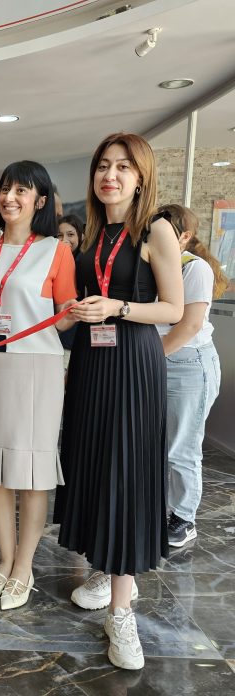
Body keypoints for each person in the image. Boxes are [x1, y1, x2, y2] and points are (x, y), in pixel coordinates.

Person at [54, 133, 183, 670]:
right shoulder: (90, 233)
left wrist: (119, 307)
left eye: (123, 167)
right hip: (91, 362)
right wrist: (74, 312)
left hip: (133, 364)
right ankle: (105, 570)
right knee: (92, 465)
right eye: (104, 166)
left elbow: (173, 308)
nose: (111, 175)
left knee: (125, 474)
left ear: (141, 176)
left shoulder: (156, 230)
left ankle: (122, 613)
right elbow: (81, 298)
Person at [0, 161, 76, 611]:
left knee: (32, 472)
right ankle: (5, 560)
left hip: (37, 368)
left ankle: (25, 565)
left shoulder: (56, 251)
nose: (10, 197)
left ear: (40, 200)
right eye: (6, 189)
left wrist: (66, 316)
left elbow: (65, 315)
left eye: (22, 190)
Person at [157, 203, 225, 547]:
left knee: (181, 447)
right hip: (160, 361)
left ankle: (184, 518)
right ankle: (163, 510)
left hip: (187, 365)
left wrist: (148, 359)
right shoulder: (156, 265)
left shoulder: (194, 268)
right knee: (161, 445)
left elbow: (190, 326)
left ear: (184, 237)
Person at [56, 214, 86, 361]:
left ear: (81, 236)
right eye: (59, 235)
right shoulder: (53, 261)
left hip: (74, 335)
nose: (64, 240)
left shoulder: (84, 262)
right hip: (58, 333)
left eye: (70, 235)